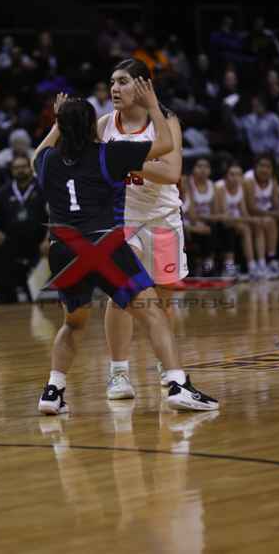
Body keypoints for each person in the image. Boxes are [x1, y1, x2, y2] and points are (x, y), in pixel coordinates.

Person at [32, 83, 218, 414]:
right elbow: (165, 145)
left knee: (72, 324)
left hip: (64, 251)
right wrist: (154, 107)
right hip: (103, 246)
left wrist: (57, 124)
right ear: (92, 127)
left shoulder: (48, 161)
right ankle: (178, 385)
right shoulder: (109, 153)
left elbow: (37, 154)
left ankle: (52, 391)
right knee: (153, 313)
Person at [97, 59, 188, 399]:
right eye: (112, 82)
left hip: (163, 218)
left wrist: (126, 160)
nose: (114, 88)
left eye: (122, 81)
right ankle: (118, 373)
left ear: (142, 86)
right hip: (123, 219)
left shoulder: (166, 121)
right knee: (120, 294)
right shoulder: (105, 124)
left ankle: (166, 365)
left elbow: (172, 173)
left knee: (161, 300)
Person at [0, 154, 49, 303]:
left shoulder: (42, 188)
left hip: (38, 243)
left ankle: (34, 289)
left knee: (33, 296)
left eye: (23, 167)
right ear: (11, 171)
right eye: (16, 168)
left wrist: (47, 239)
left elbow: (56, 216)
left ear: (31, 168)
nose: (20, 170)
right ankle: (6, 292)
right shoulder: (3, 192)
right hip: (12, 242)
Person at [215, 162, 267, 280]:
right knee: (245, 228)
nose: (235, 178)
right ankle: (250, 266)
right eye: (232, 174)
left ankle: (262, 264)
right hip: (220, 222)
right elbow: (225, 215)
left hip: (237, 221)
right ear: (226, 176)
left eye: (238, 175)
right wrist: (251, 220)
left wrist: (253, 220)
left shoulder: (240, 188)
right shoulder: (220, 188)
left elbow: (244, 212)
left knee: (257, 225)